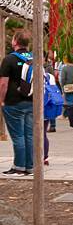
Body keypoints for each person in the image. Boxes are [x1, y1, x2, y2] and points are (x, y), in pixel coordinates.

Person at [0, 30, 34, 176]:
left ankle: (19, 166)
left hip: (13, 102)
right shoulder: (35, 57)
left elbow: (3, 84)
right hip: (32, 101)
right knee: (29, 135)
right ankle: (30, 166)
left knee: (18, 135)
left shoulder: (9, 59)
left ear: (15, 42)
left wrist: (1, 100)